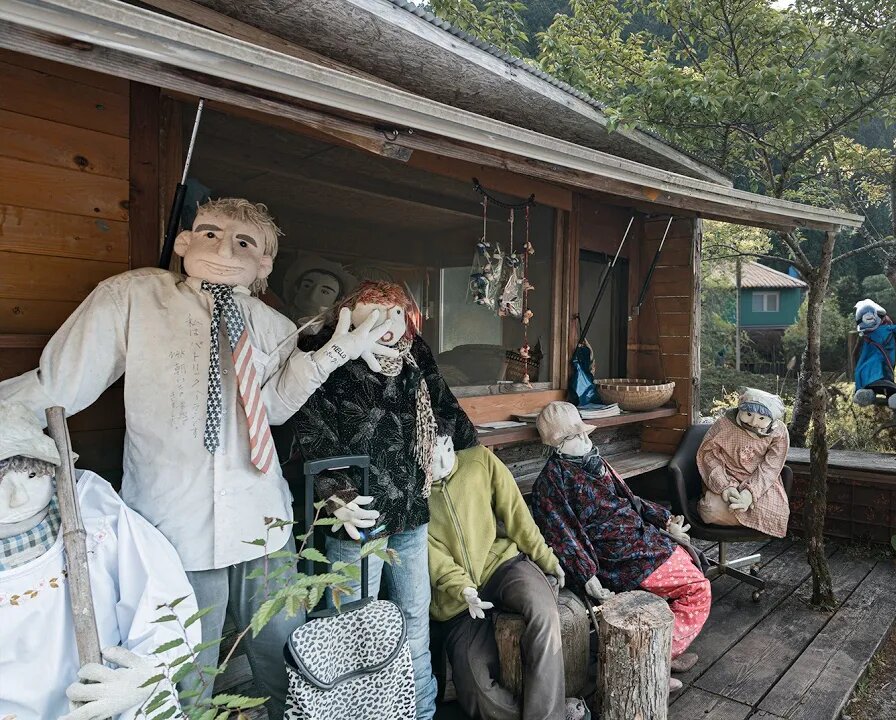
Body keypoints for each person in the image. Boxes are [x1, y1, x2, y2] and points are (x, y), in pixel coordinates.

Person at [0, 198, 394, 718]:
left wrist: (332, 356)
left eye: (244, 243)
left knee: (288, 662)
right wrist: (10, 421)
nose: (224, 248)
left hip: (262, 522)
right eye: (209, 234)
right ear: (183, 242)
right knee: (186, 673)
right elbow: (59, 383)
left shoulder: (272, 324)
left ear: (264, 265)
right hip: (172, 530)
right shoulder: (133, 298)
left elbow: (273, 405)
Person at [293, 281, 479, 720]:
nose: (387, 323)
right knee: (350, 623)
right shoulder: (324, 352)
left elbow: (445, 407)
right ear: (348, 313)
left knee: (414, 616)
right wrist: (333, 493)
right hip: (357, 513)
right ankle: (352, 712)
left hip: (410, 509)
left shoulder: (415, 354)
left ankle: (420, 711)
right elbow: (309, 427)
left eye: (396, 313)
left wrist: (445, 445)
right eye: (373, 313)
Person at [0, 402, 198, 720]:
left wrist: (144, 675)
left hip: (115, 693)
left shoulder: (90, 508)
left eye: (33, 473)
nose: (19, 497)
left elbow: (157, 587)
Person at [530, 402, 711, 691]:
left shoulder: (595, 463)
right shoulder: (552, 483)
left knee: (692, 562)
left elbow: (630, 501)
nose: (587, 441)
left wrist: (665, 521)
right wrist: (587, 574)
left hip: (642, 541)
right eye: (576, 437)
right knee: (697, 590)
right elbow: (561, 535)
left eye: (585, 434)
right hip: (619, 557)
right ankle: (649, 662)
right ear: (557, 444)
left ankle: (662, 646)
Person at [426, 434, 584, 720]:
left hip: (503, 564)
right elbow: (431, 554)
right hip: (458, 601)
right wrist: (462, 588)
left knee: (543, 611)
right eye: (430, 458)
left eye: (444, 451)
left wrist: (546, 558)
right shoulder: (412, 491)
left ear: (450, 442)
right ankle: (547, 713)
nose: (440, 463)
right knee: (473, 685)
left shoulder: (479, 459)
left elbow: (516, 514)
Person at [695, 388, 790, 537]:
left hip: (760, 479)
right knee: (709, 509)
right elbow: (708, 454)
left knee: (775, 512)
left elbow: (771, 466)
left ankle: (740, 511)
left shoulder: (779, 432)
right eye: (749, 414)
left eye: (761, 418)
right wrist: (725, 486)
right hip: (727, 474)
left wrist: (749, 494)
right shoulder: (724, 424)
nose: (753, 422)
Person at [850, 298, 896, 411]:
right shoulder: (865, 335)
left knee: (875, 371)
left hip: (880, 363)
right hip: (872, 363)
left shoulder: (883, 330)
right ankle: (870, 393)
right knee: (867, 370)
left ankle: (893, 397)